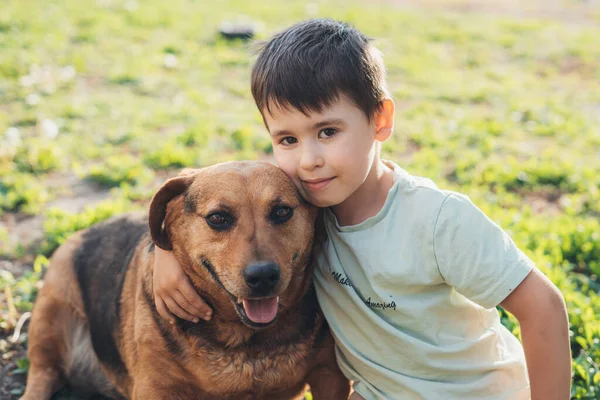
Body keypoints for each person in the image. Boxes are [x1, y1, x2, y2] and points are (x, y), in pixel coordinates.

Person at [152, 18, 571, 400]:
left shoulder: (437, 221)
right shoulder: (298, 209)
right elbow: (222, 201)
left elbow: (544, 307)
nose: (309, 159)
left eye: (328, 131)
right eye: (287, 140)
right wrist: (165, 250)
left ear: (380, 119)